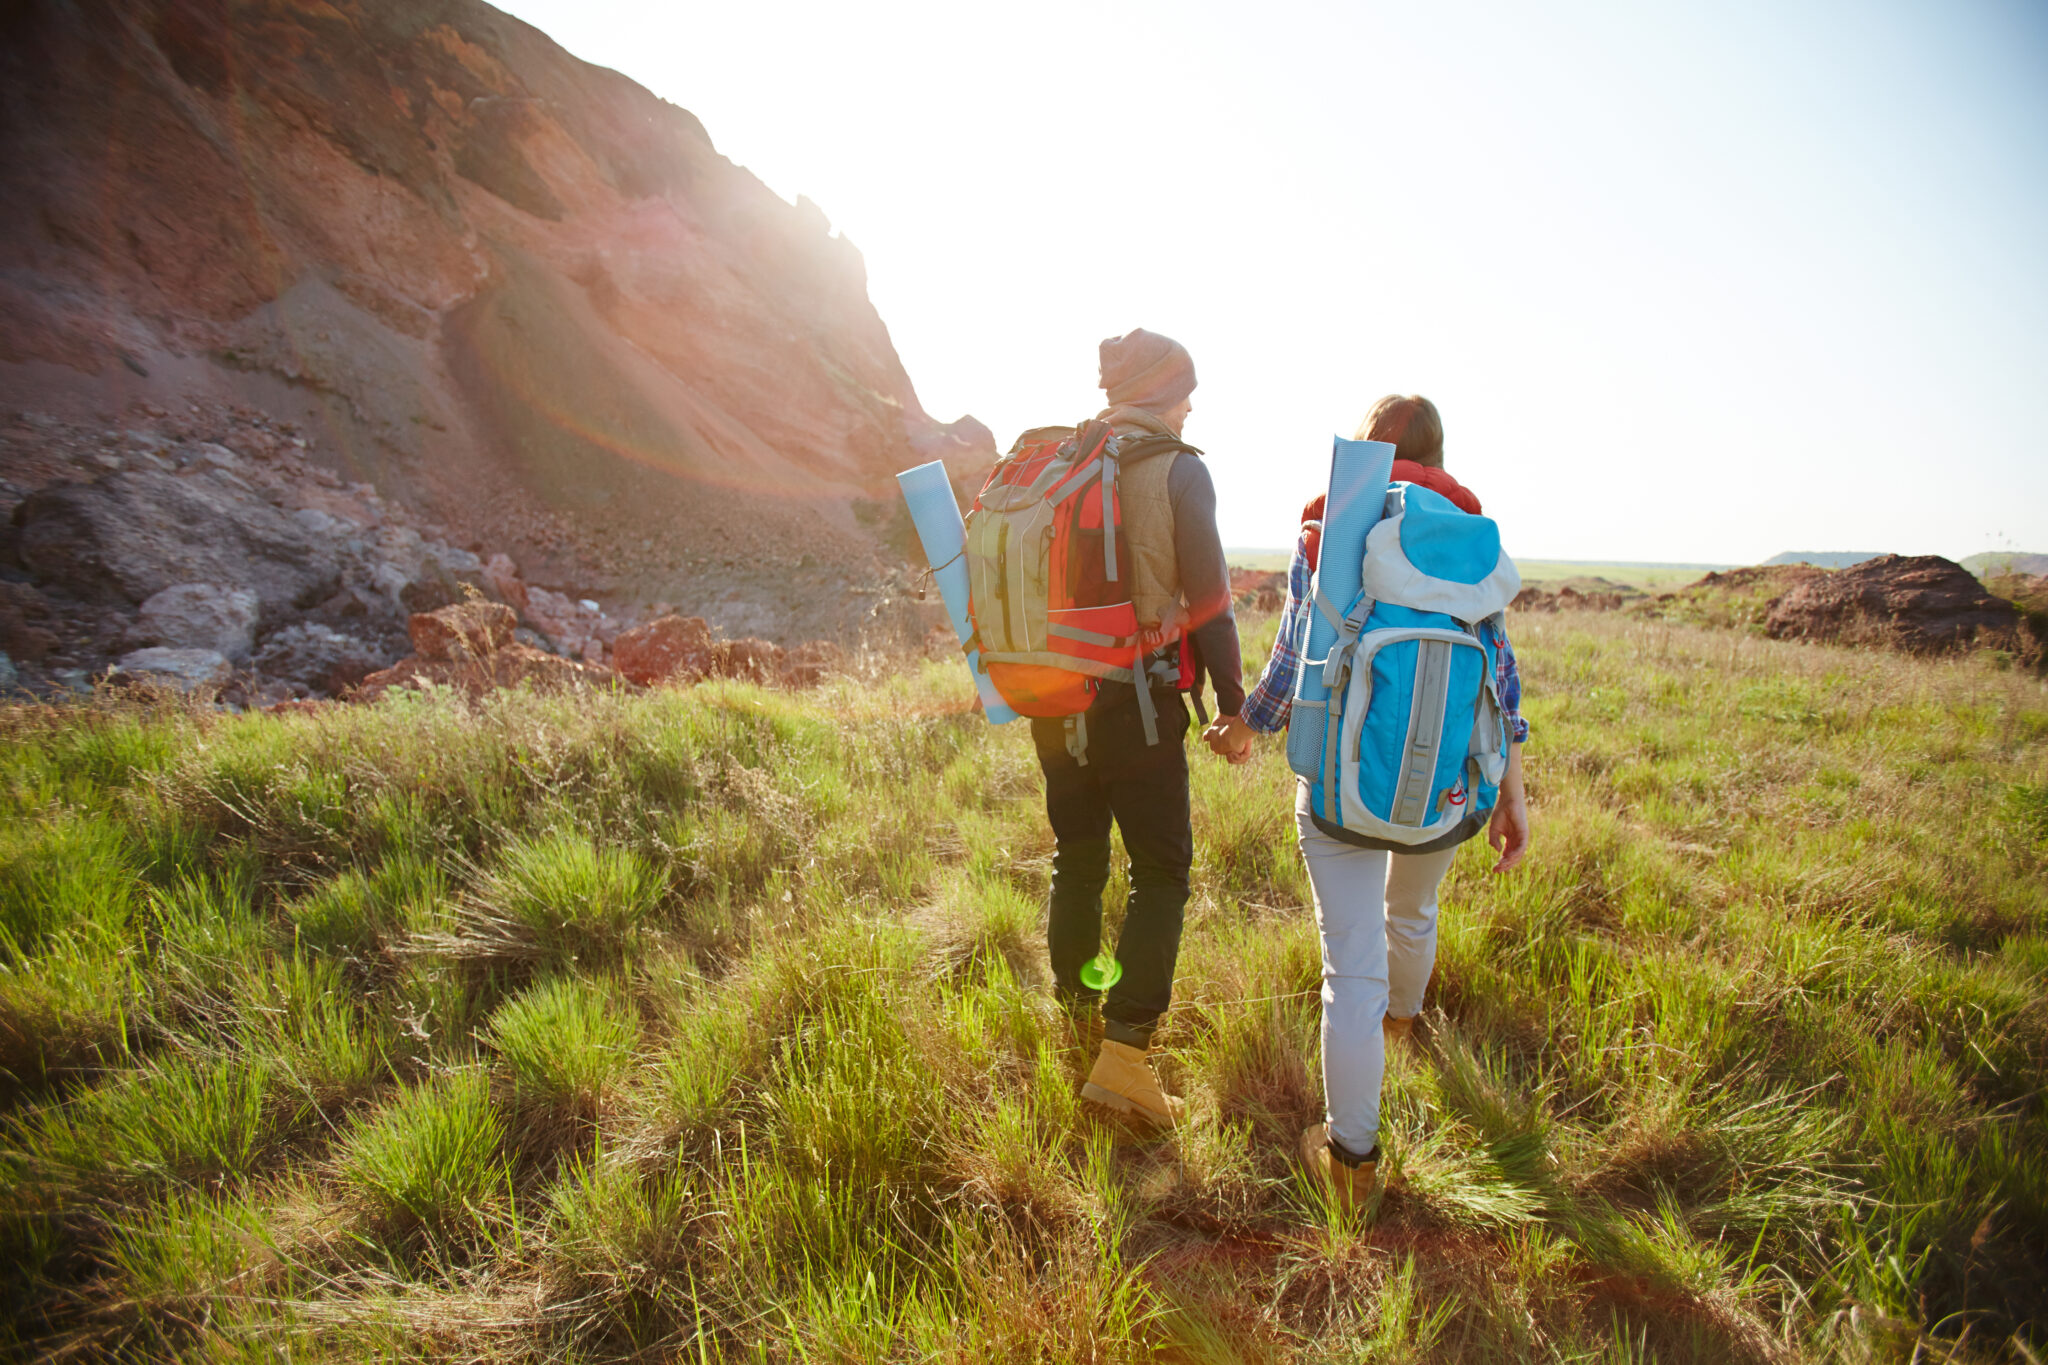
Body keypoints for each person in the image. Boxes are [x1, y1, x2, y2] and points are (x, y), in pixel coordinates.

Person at [1202, 394, 1531, 1207]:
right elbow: (1500, 681)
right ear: (1439, 454)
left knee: (1350, 969)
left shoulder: (1334, 523)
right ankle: (1405, 1029)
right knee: (1412, 915)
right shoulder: (1470, 542)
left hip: (1341, 793)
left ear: (1369, 448)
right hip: (1448, 792)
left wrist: (1248, 727)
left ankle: (1352, 1161)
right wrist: (1512, 794)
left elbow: (1296, 655)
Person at [1037, 328, 1245, 1129]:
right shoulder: (1178, 469)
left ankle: (1077, 1021)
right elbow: (1211, 601)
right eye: (1186, 391)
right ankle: (1122, 1057)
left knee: (1077, 858)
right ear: (1162, 392)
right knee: (1160, 872)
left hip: (1057, 701)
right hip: (1143, 705)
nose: (1191, 407)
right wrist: (1232, 706)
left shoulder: (1064, 463)